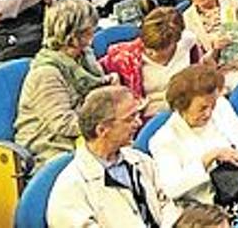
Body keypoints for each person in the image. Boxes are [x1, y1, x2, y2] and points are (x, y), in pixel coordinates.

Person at [148, 64, 238, 221]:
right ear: (181, 106)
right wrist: (209, 158)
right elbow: (172, 188)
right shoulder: (164, 140)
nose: (209, 113)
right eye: (202, 108)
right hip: (212, 206)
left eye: (212, 105)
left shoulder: (220, 106)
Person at [46, 85, 180, 228]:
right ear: (102, 130)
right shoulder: (71, 188)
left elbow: (167, 203)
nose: (139, 123)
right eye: (130, 119)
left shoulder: (142, 161)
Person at [15, 0, 116, 164]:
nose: (94, 31)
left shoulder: (85, 56)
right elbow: (63, 124)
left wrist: (110, 83)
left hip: (85, 131)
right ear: (74, 34)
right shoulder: (46, 73)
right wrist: (108, 123)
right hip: (51, 143)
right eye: (89, 30)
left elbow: (97, 90)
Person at [99, 6, 206, 117]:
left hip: (186, 109)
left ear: (175, 41)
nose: (151, 53)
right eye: (147, 46)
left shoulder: (189, 45)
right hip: (147, 118)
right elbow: (99, 80)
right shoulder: (123, 57)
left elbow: (199, 81)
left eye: (159, 49)